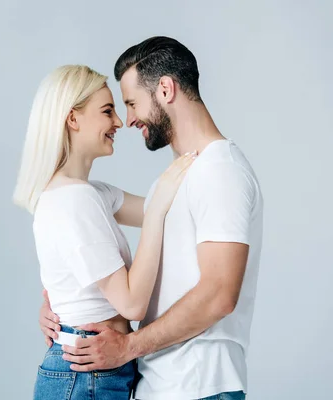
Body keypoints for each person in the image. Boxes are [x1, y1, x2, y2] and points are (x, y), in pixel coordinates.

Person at [39, 37, 264, 400]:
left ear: (165, 88)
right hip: (157, 383)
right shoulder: (174, 179)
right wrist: (65, 303)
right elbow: (76, 225)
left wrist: (128, 347)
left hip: (199, 385)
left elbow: (219, 295)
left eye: (130, 103)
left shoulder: (220, 170)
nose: (127, 121)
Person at [13, 64, 196, 400]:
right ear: (73, 119)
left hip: (89, 372)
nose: (118, 122)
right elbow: (132, 305)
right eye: (107, 111)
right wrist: (157, 211)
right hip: (87, 375)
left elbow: (169, 210)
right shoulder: (74, 199)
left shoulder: (86, 194)